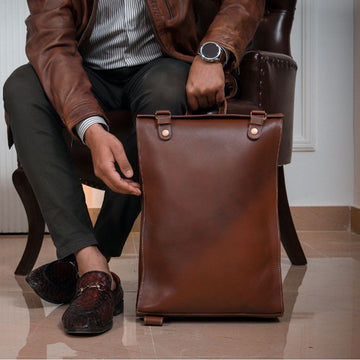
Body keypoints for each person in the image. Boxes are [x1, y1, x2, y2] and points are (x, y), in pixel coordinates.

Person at [3, 0, 265, 335]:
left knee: (168, 92)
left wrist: (212, 53)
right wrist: (91, 128)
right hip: (84, 71)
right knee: (21, 87)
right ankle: (90, 263)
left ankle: (91, 263)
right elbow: (50, 41)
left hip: (163, 63)